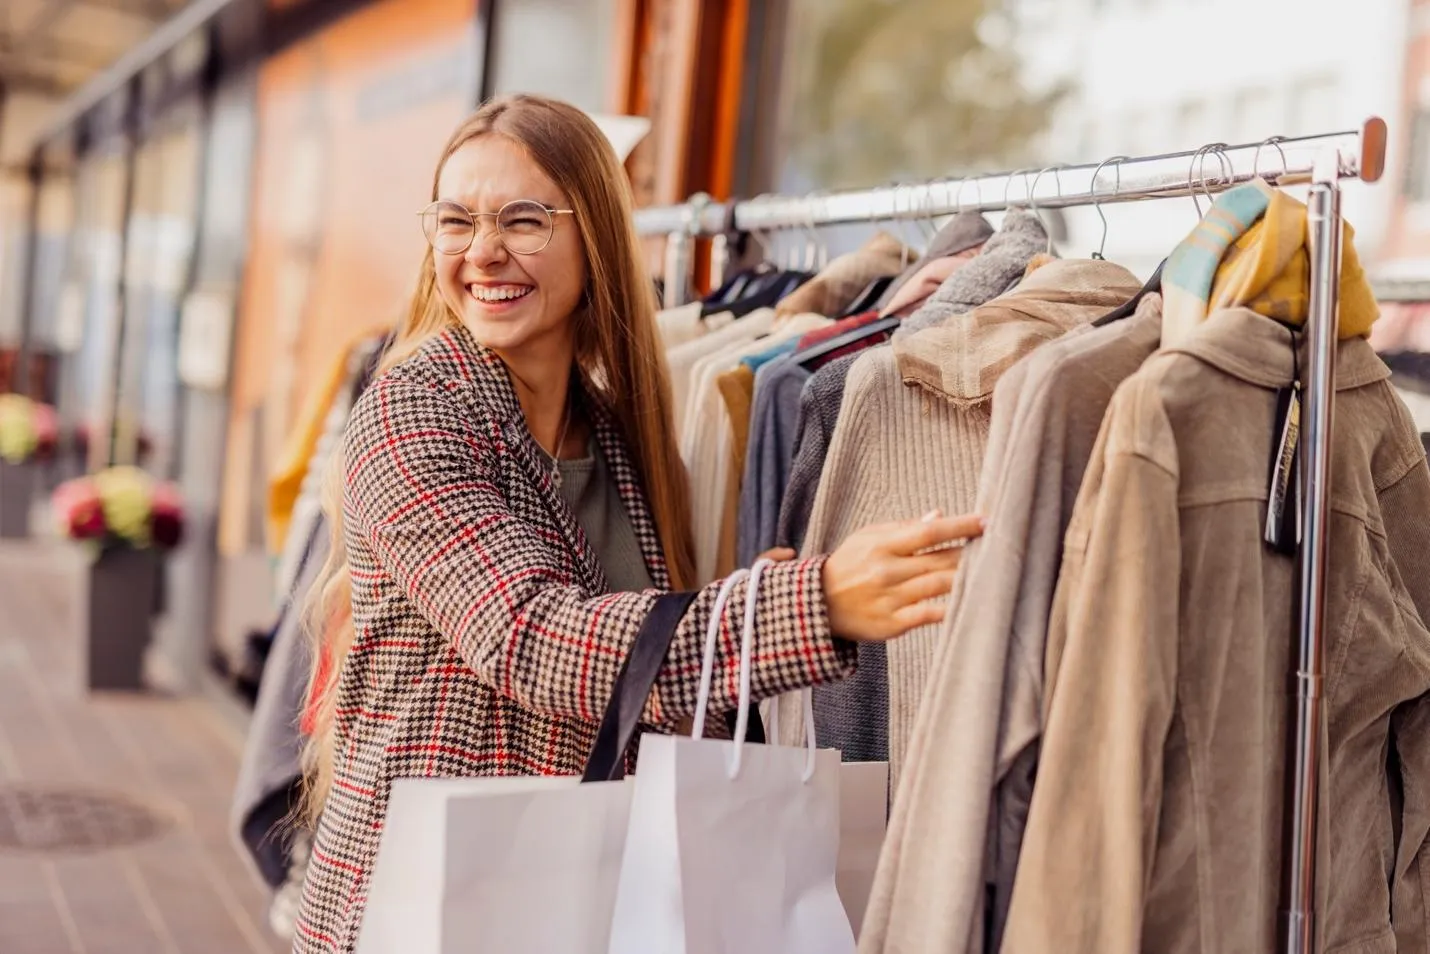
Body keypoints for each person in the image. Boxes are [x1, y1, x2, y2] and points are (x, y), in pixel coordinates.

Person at [294, 93, 982, 954]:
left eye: (524, 219)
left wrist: (742, 597)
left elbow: (639, 666)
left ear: (596, 238)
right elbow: (530, 638)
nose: (484, 251)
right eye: (456, 219)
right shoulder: (415, 405)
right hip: (430, 899)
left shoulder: (617, 431)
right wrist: (809, 606)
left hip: (573, 892)